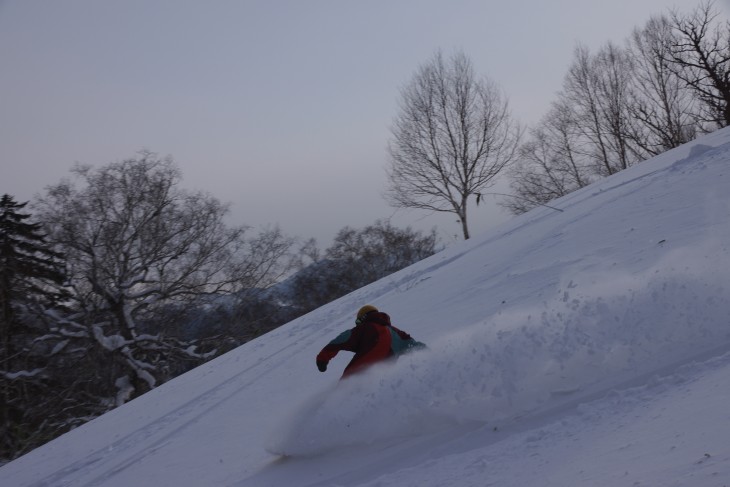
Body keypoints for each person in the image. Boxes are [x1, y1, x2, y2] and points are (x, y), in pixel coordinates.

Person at [316, 305, 426, 378]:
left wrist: (322, 359)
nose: (358, 324)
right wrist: (433, 356)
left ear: (364, 318)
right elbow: (415, 346)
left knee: (341, 398)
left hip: (356, 376)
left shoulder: (364, 328)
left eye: (358, 321)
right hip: (385, 380)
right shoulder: (397, 333)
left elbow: (340, 340)